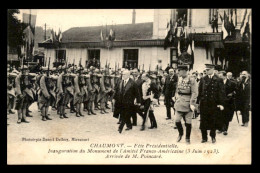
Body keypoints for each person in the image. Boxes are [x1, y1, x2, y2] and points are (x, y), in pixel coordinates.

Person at [197, 64, 225, 143]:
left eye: (208, 69)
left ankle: (213, 136)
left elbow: (221, 93)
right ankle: (204, 137)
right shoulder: (203, 79)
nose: (207, 71)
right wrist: (197, 103)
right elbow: (199, 91)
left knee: (213, 120)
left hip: (213, 103)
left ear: (213, 69)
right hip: (204, 103)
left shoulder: (218, 79)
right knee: (203, 121)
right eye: (206, 69)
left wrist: (221, 103)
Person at [174, 65, 198, 144]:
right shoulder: (180, 78)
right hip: (179, 102)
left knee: (188, 122)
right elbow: (177, 89)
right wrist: (175, 96)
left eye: (179, 70)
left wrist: (192, 103)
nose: (178, 72)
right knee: (177, 121)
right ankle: (180, 133)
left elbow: (194, 93)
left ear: (184, 71)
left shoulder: (192, 79)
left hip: (188, 103)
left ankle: (187, 138)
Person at [218, 71, 236, 135]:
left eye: (220, 76)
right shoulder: (217, 83)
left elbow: (236, 91)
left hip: (228, 102)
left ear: (225, 76)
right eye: (218, 76)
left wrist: (232, 94)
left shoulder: (232, 83)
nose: (219, 77)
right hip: (220, 101)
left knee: (226, 115)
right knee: (220, 115)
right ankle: (220, 128)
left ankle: (225, 129)